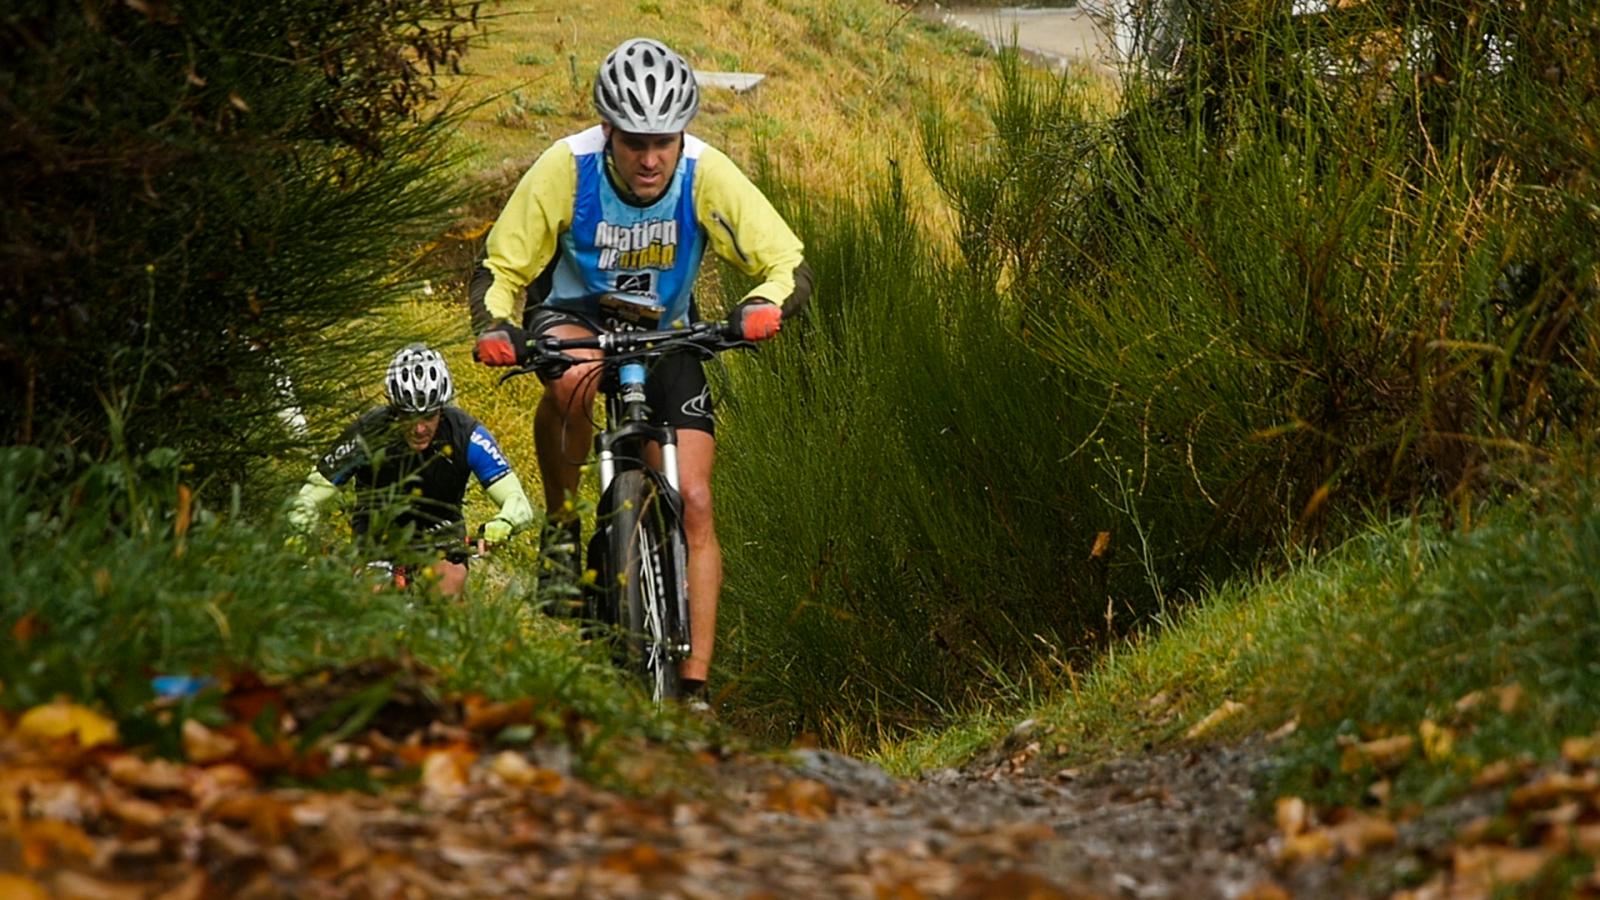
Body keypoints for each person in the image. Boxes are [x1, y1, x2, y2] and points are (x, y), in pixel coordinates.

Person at [468, 37, 813, 698]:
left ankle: (694, 688)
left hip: (668, 334)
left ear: (682, 131)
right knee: (571, 379)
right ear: (607, 130)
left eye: (664, 140)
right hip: (575, 318)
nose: (651, 157)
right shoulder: (566, 168)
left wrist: (762, 307)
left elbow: (786, 262)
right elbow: (499, 267)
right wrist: (493, 325)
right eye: (633, 141)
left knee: (697, 501)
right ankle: (565, 531)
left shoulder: (707, 172)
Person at [286, 343, 535, 598]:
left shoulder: (466, 434)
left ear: (441, 408)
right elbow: (312, 492)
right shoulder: (368, 432)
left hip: (441, 536)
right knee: (373, 598)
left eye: (428, 416)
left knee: (447, 588)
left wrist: (505, 521)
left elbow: (519, 503)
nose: (419, 428)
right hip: (376, 535)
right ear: (394, 410)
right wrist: (300, 522)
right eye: (408, 416)